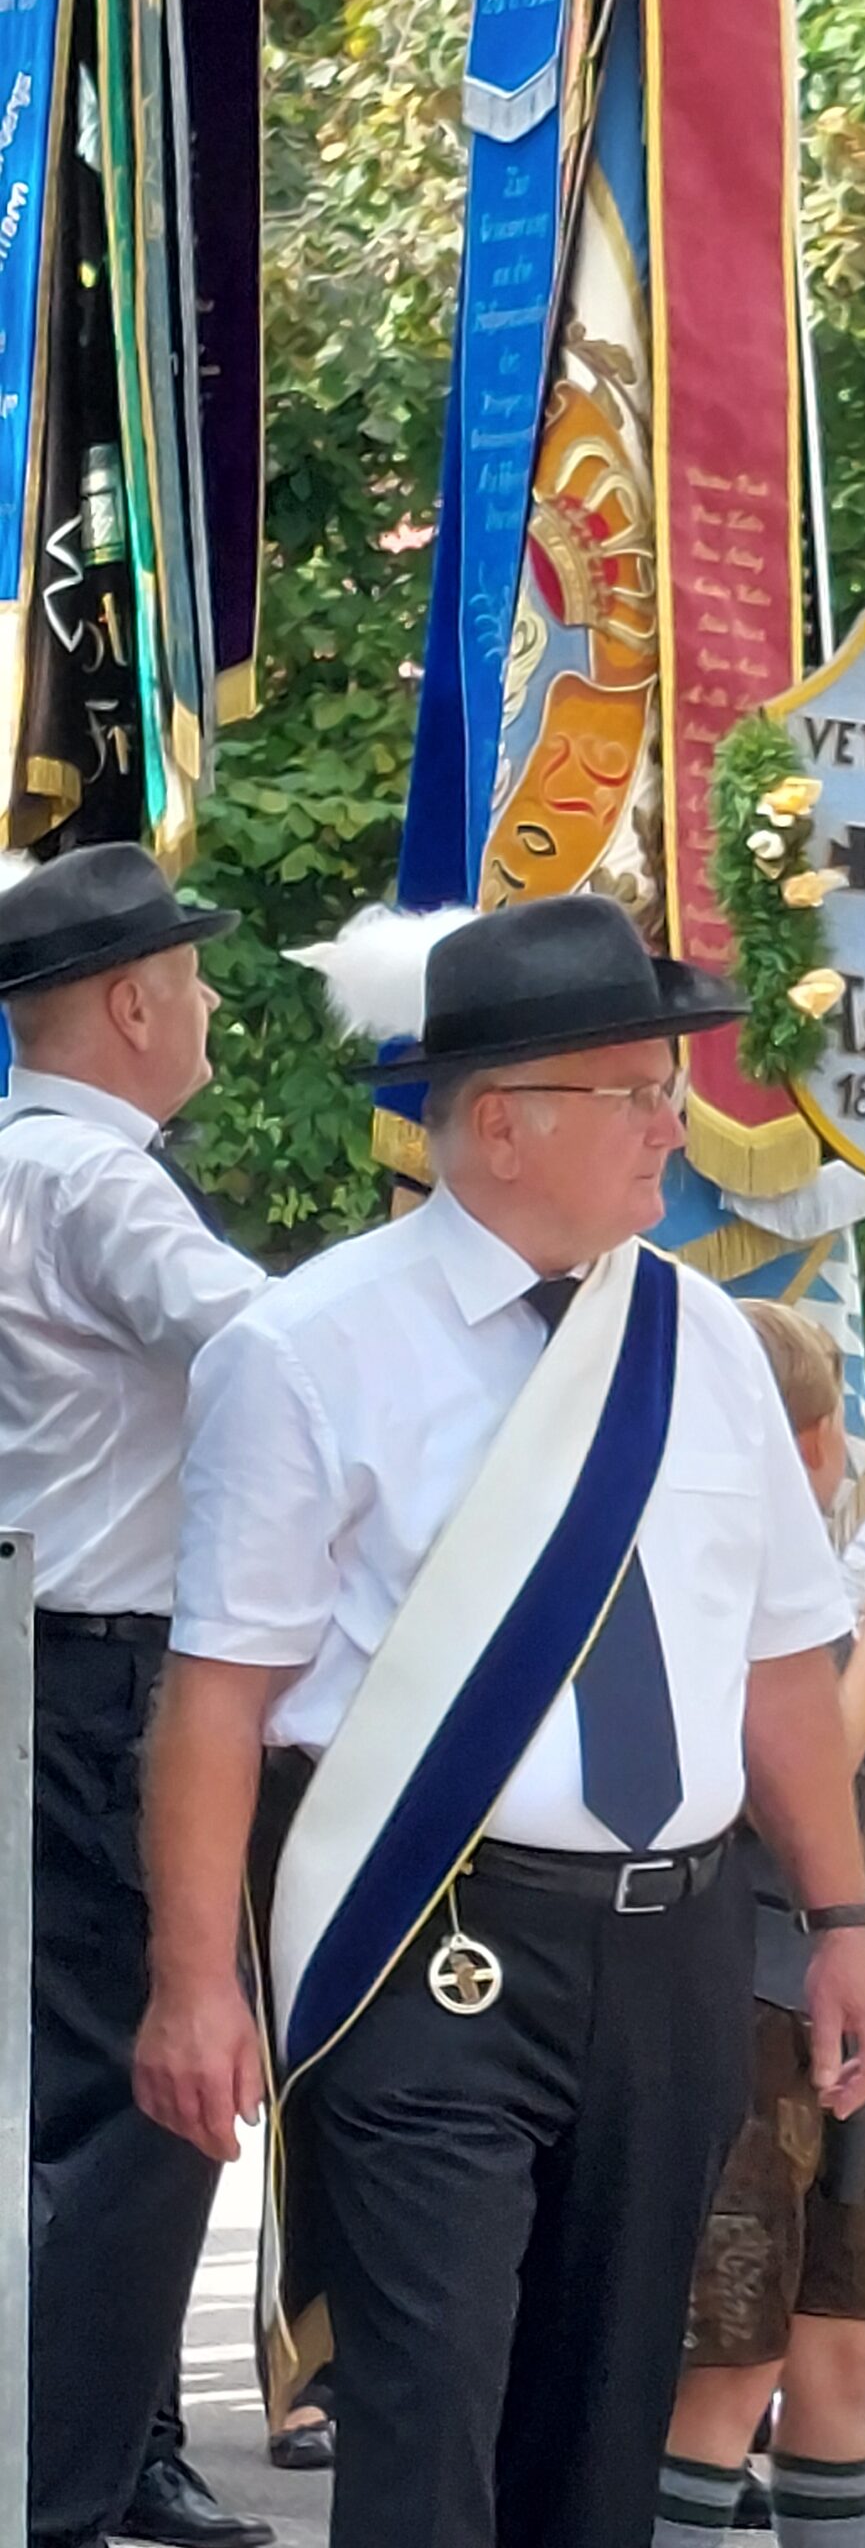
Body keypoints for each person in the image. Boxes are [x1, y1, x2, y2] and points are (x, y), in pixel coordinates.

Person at [132, 896, 865, 2548]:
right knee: (428, 2417)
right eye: (636, 1093)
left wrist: (841, 1923)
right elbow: (218, 1696)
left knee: (602, 2428)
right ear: (501, 1124)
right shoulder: (307, 1348)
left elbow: (778, 1661)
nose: (672, 1124)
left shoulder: (704, 1341)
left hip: (677, 1948)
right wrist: (197, 1984)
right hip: (431, 1939)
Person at [0, 845, 275, 2548]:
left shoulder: (22, 1162)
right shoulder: (98, 1182)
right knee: (145, 2090)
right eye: (189, 974)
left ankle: (106, 2447)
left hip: (45, 1651)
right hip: (105, 1668)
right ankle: (66, 2481)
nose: (211, 1001)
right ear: (128, 1005)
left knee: (71, 2086)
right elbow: (271, 1352)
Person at [658, 1303, 865, 2548]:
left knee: (836, 2353)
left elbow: (851, 1829)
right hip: (735, 1994)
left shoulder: (806, 1585)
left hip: (817, 1986)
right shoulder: (702, 1577)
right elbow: (772, 1789)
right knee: (728, 2361)